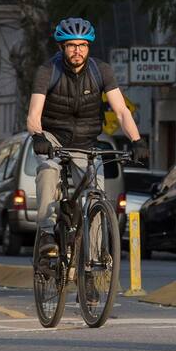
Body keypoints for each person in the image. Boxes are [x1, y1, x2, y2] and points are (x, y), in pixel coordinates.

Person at [26, 17, 147, 259]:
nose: (77, 51)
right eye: (71, 45)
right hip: (53, 139)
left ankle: (93, 265)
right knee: (48, 173)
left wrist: (137, 140)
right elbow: (33, 115)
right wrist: (39, 137)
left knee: (96, 197)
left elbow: (122, 111)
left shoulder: (101, 70)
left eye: (83, 45)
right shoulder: (48, 71)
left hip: (85, 142)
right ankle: (48, 235)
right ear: (61, 47)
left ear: (89, 47)